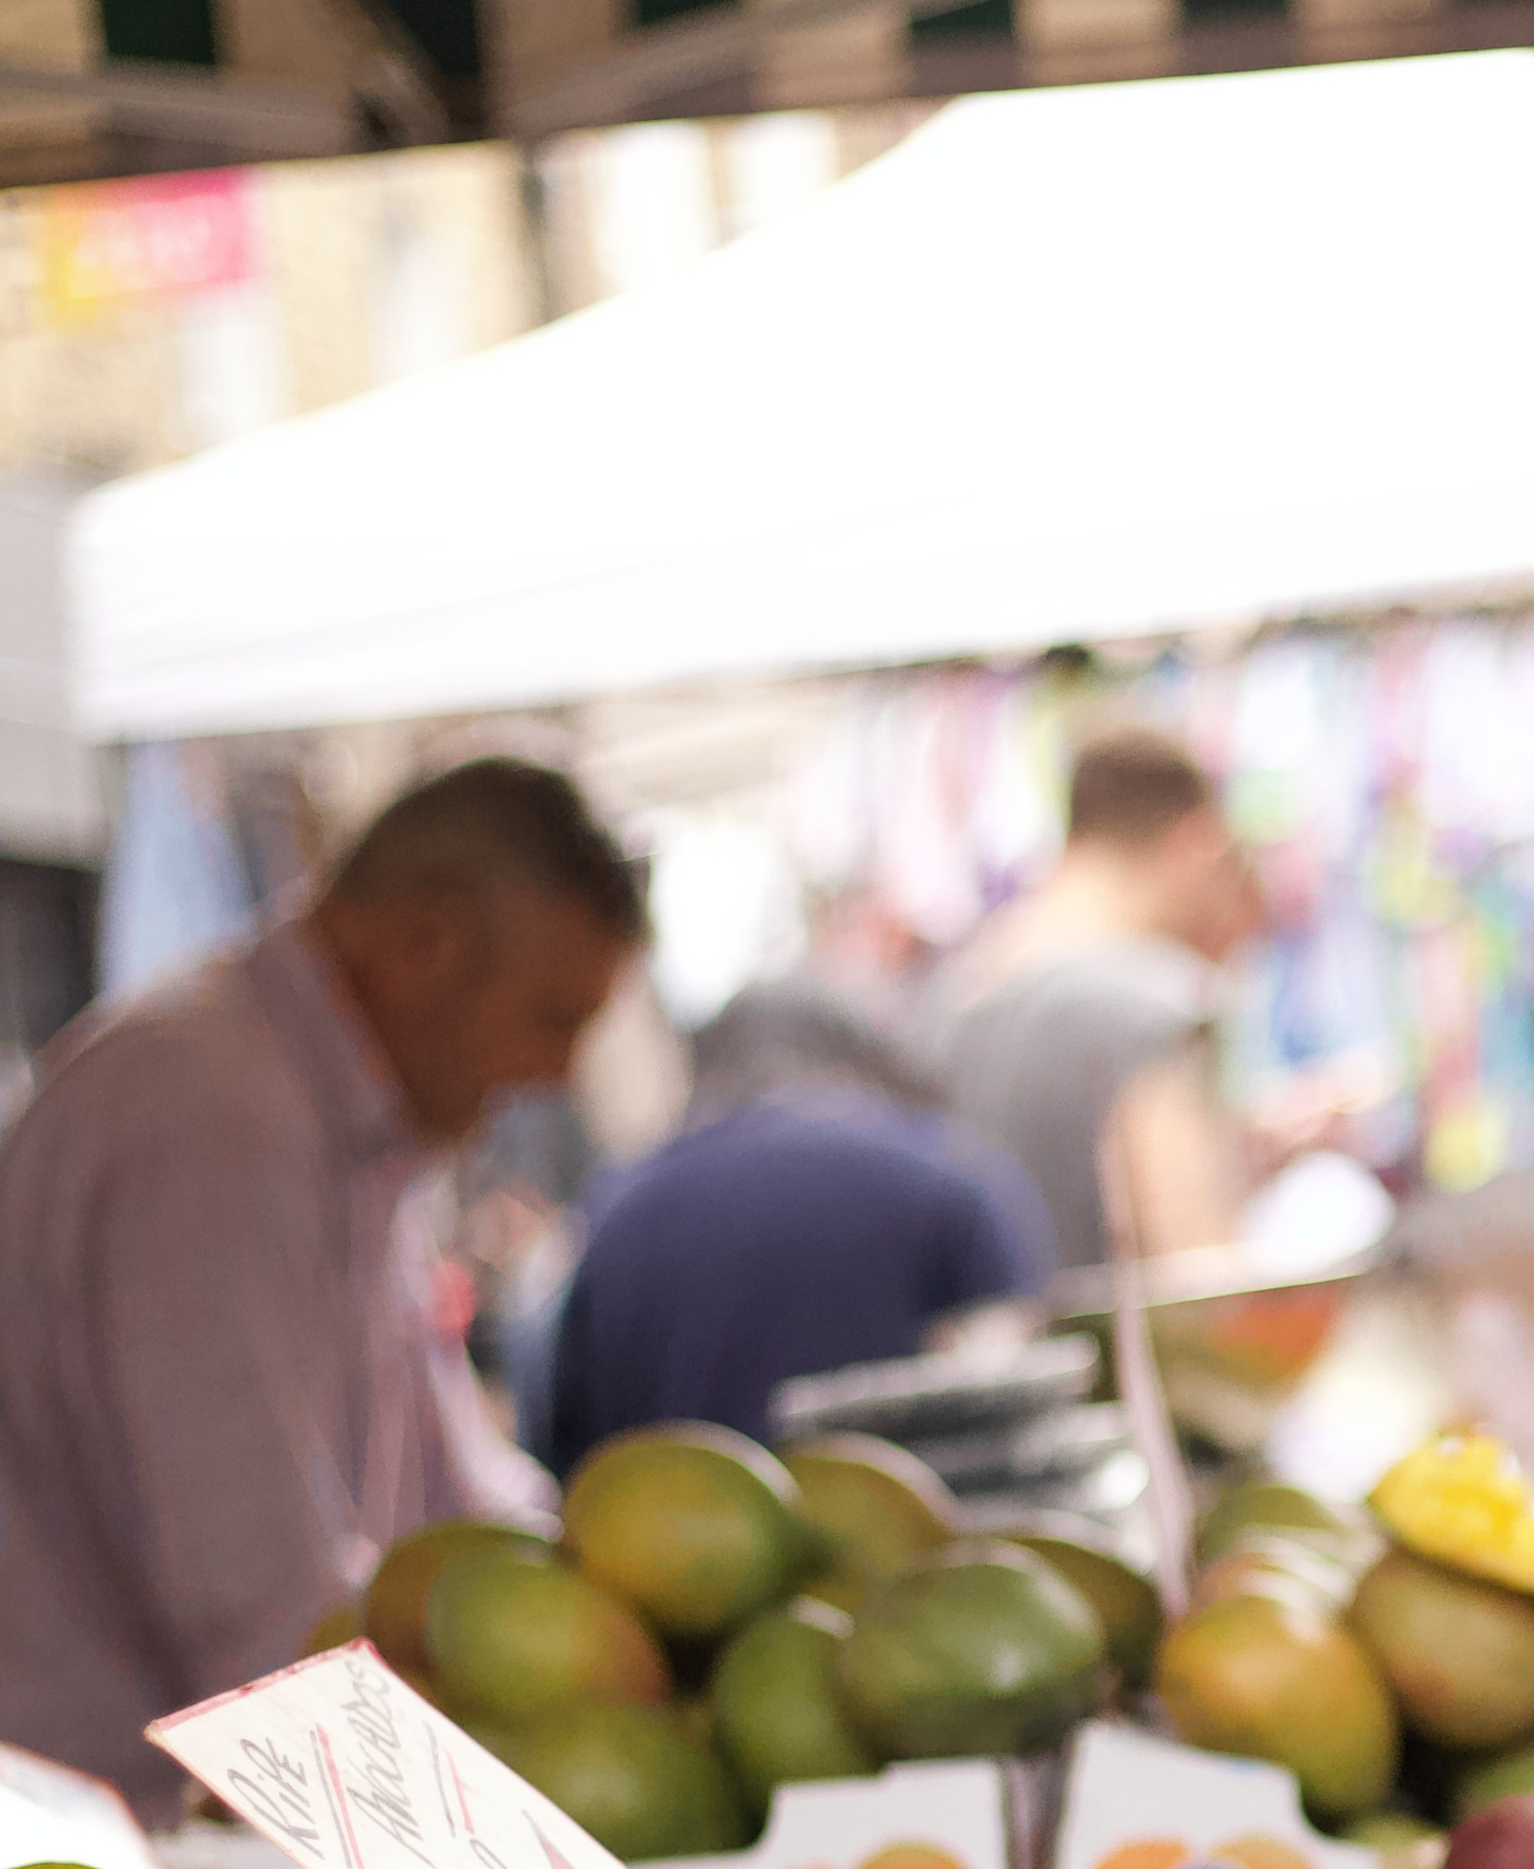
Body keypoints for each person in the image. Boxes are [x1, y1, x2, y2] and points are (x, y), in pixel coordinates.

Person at [0, 753, 643, 1811]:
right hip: (120, 1854)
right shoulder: (209, 1120)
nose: (558, 1076)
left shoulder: (343, 1128)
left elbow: (456, 1510)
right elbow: (261, 1614)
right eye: (553, 1018)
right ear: (429, 941)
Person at [536, 981, 1053, 1475]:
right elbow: (1022, 1400)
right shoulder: (952, 1176)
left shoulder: (619, 1210)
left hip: (668, 1531)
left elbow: (569, 1446)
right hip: (899, 1526)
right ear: (861, 1050)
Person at [938, 727, 1266, 1274]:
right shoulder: (1158, 1001)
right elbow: (1197, 1266)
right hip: (1116, 1329)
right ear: (1196, 843)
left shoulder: (953, 993)